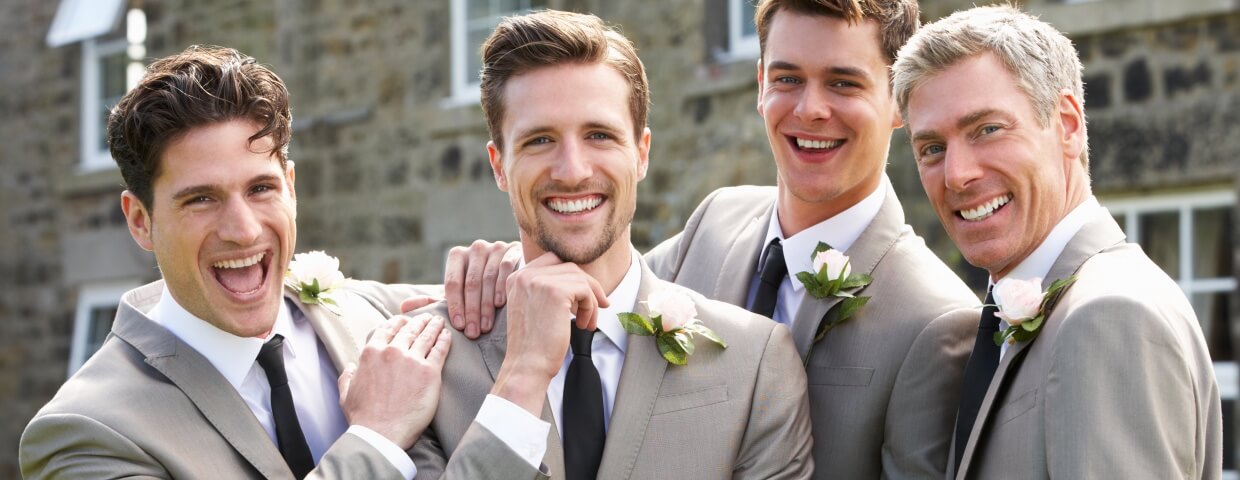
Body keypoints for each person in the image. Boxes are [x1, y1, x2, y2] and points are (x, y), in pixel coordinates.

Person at [440, 1, 977, 477]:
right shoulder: (718, 219)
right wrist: (508, 261)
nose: (811, 109)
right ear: (761, 83)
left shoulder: (938, 320)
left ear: (898, 100)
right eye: (788, 78)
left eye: (843, 82)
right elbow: (602, 274)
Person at [406, 10, 813, 479]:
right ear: (499, 165)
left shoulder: (756, 362)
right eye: (540, 140)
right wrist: (522, 375)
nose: (573, 170)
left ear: (641, 153)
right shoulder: (420, 364)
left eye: (599, 135)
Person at [20, 46, 450, 480]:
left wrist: (494, 263)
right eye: (201, 199)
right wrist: (376, 439)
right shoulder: (86, 433)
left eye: (261, 188)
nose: (243, 231)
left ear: (292, 188)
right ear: (140, 220)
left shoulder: (384, 314)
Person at [892, 5, 1222, 479]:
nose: (957, 174)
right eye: (933, 149)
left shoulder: (1108, 317)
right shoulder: (1051, 305)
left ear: (1066, 124)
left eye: (987, 129)